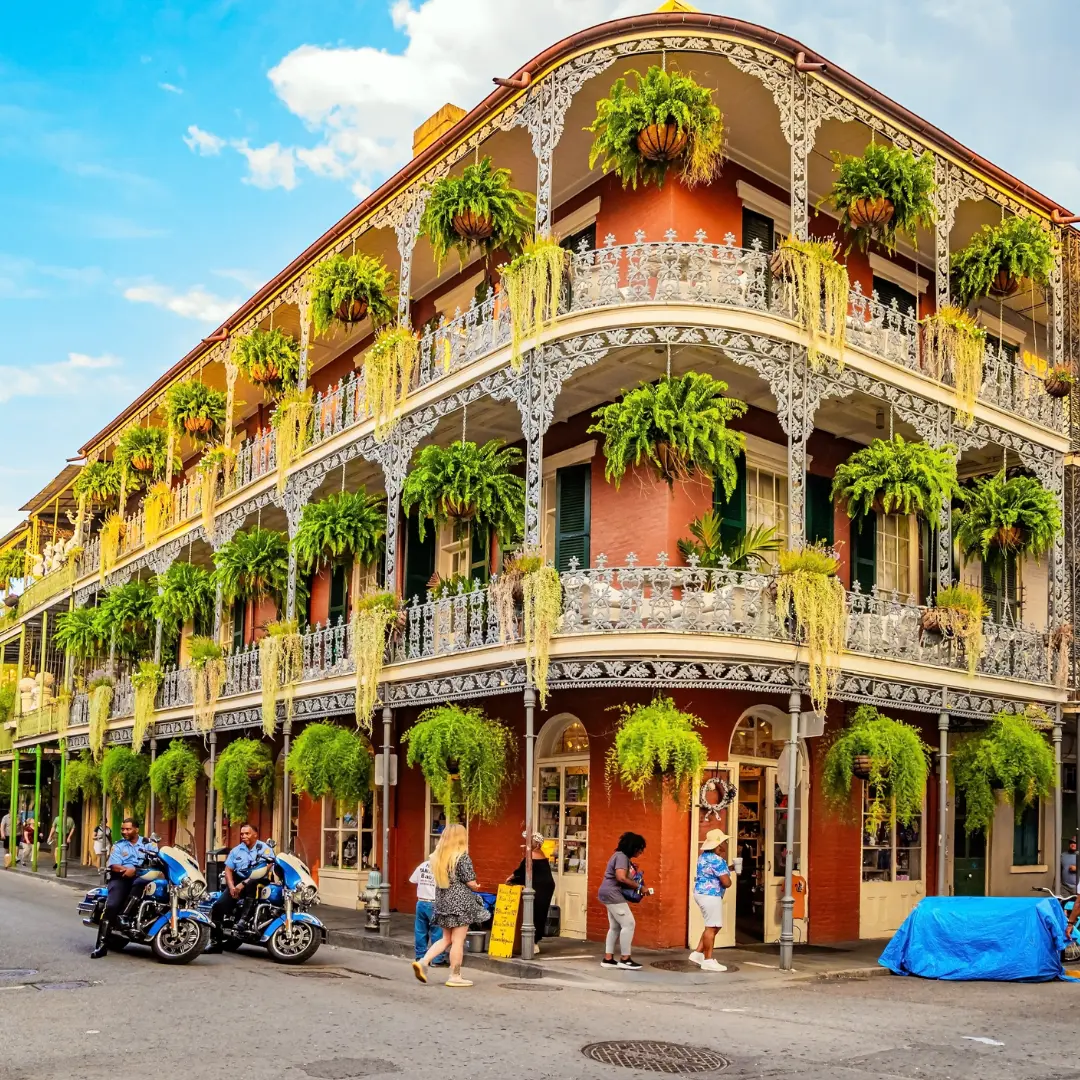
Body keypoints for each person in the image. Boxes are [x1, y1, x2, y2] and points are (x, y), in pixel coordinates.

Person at [412, 823, 489, 987]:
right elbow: (470, 881)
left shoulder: (437, 857)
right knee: (458, 941)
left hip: (443, 901)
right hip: (460, 904)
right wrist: (476, 886)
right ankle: (455, 976)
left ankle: (423, 962)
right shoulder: (462, 857)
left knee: (446, 938)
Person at [204, 822, 274, 953]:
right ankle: (216, 943)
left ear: (255, 834)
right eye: (242, 834)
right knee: (218, 906)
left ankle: (243, 920)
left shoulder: (264, 848)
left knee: (252, 882)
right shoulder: (236, 850)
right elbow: (228, 869)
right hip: (238, 882)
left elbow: (266, 867)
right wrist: (231, 887)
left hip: (258, 881)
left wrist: (243, 884)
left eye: (247, 833)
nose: (243, 836)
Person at [90, 816, 150, 958]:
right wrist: (126, 870)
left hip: (142, 878)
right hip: (121, 878)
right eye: (123, 829)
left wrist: (135, 870)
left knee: (142, 883)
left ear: (137, 830)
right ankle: (102, 945)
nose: (124, 831)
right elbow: (114, 865)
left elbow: (157, 859)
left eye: (128, 829)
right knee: (112, 905)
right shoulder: (119, 845)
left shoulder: (148, 844)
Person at [598, 831, 649, 970]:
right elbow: (621, 877)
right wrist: (640, 887)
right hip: (613, 893)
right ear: (634, 847)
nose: (641, 852)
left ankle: (608, 959)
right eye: (640, 849)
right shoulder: (622, 857)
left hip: (607, 893)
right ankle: (625, 959)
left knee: (615, 926)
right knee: (629, 924)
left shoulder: (618, 856)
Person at [689, 828, 733, 973]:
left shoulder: (704, 857)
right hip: (711, 894)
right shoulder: (718, 860)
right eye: (724, 842)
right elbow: (726, 882)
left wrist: (729, 868)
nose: (725, 844)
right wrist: (729, 875)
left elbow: (712, 872)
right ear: (718, 845)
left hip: (700, 893)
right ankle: (708, 960)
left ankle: (697, 954)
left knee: (714, 925)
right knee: (711, 927)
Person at [507, 832, 555, 953]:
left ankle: (532, 943)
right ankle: (534, 941)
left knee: (533, 913)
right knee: (539, 913)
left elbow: (523, 870)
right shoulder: (540, 854)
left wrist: (511, 878)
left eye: (529, 842)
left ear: (536, 844)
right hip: (545, 886)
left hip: (539, 886)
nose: (526, 843)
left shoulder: (532, 855)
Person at [409, 854, 447, 967]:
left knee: (420, 931)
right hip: (435, 902)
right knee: (437, 932)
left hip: (421, 902)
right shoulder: (441, 869)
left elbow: (413, 880)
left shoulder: (422, 866)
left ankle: (420, 957)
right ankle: (437, 959)